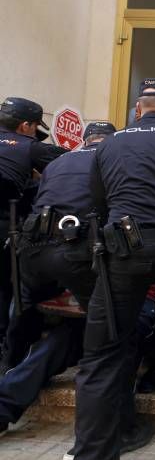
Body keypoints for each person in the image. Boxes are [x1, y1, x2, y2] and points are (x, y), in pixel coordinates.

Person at [71, 80, 155, 460]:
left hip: (121, 251)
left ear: (139, 108)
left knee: (102, 355)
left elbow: (97, 202)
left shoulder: (108, 144)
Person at [0, 122, 116, 375]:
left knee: (25, 300)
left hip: (34, 246)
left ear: (85, 140)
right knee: (104, 311)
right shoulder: (111, 162)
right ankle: (97, 368)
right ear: (112, 142)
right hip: (78, 249)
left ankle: (11, 361)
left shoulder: (57, 163)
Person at [0, 97, 66, 349]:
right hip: (7, 226)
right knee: (10, 286)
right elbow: (75, 164)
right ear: (26, 126)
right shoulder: (30, 146)